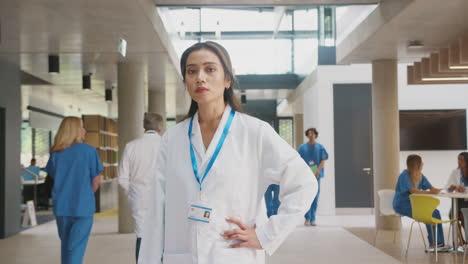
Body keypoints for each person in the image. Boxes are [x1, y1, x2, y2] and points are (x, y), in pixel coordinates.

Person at [138, 41, 317, 264]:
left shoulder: (255, 132)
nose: (200, 77)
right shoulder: (172, 139)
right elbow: (157, 210)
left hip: (233, 254)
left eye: (210, 69)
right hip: (183, 255)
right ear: (186, 82)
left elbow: (304, 183)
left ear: (227, 79)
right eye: (191, 71)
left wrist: (266, 235)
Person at [44, 116, 103, 264]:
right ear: (76, 130)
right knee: (76, 248)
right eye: (82, 127)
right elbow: (96, 180)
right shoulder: (89, 151)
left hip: (62, 207)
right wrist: (85, 193)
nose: (84, 130)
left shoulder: (55, 153)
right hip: (82, 206)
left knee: (66, 246)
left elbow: (54, 176)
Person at [118, 112, 163, 262]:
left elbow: (122, 179)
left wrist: (131, 194)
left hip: (138, 197)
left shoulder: (131, 146)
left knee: (142, 235)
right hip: (162, 196)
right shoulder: (166, 145)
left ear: (144, 126)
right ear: (161, 127)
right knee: (162, 236)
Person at [393, 154, 444, 248]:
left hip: (414, 204)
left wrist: (440, 189)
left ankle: (439, 243)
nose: (423, 164)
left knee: (435, 212)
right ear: (417, 164)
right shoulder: (404, 175)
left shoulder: (420, 176)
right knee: (428, 213)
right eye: (421, 162)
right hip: (402, 205)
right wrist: (431, 193)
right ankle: (434, 243)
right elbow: (412, 190)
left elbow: (431, 188)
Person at [297, 128, 328, 226]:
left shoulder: (320, 147)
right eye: (309, 133)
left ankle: (313, 218)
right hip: (305, 175)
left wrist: (318, 171)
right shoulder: (302, 148)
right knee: (306, 197)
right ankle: (307, 218)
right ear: (307, 135)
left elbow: (323, 159)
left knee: (315, 197)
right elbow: (298, 160)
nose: (311, 135)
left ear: (315, 135)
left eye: (313, 133)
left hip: (316, 175)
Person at [445, 152, 468, 227]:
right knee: (453, 216)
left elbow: (464, 190)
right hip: (459, 201)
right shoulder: (455, 172)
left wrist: (464, 189)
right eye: (458, 160)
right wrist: (451, 188)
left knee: (463, 217)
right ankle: (459, 238)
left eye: (461, 160)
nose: (459, 162)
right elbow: (447, 187)